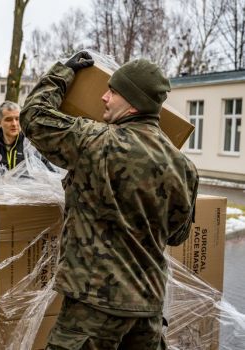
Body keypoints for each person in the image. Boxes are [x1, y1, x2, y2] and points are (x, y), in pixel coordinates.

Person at [20, 51, 199, 349]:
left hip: (93, 312)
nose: (103, 97)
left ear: (132, 103)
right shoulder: (185, 168)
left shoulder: (96, 142)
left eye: (113, 92)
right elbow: (177, 235)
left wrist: (63, 73)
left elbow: (34, 117)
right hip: (148, 314)